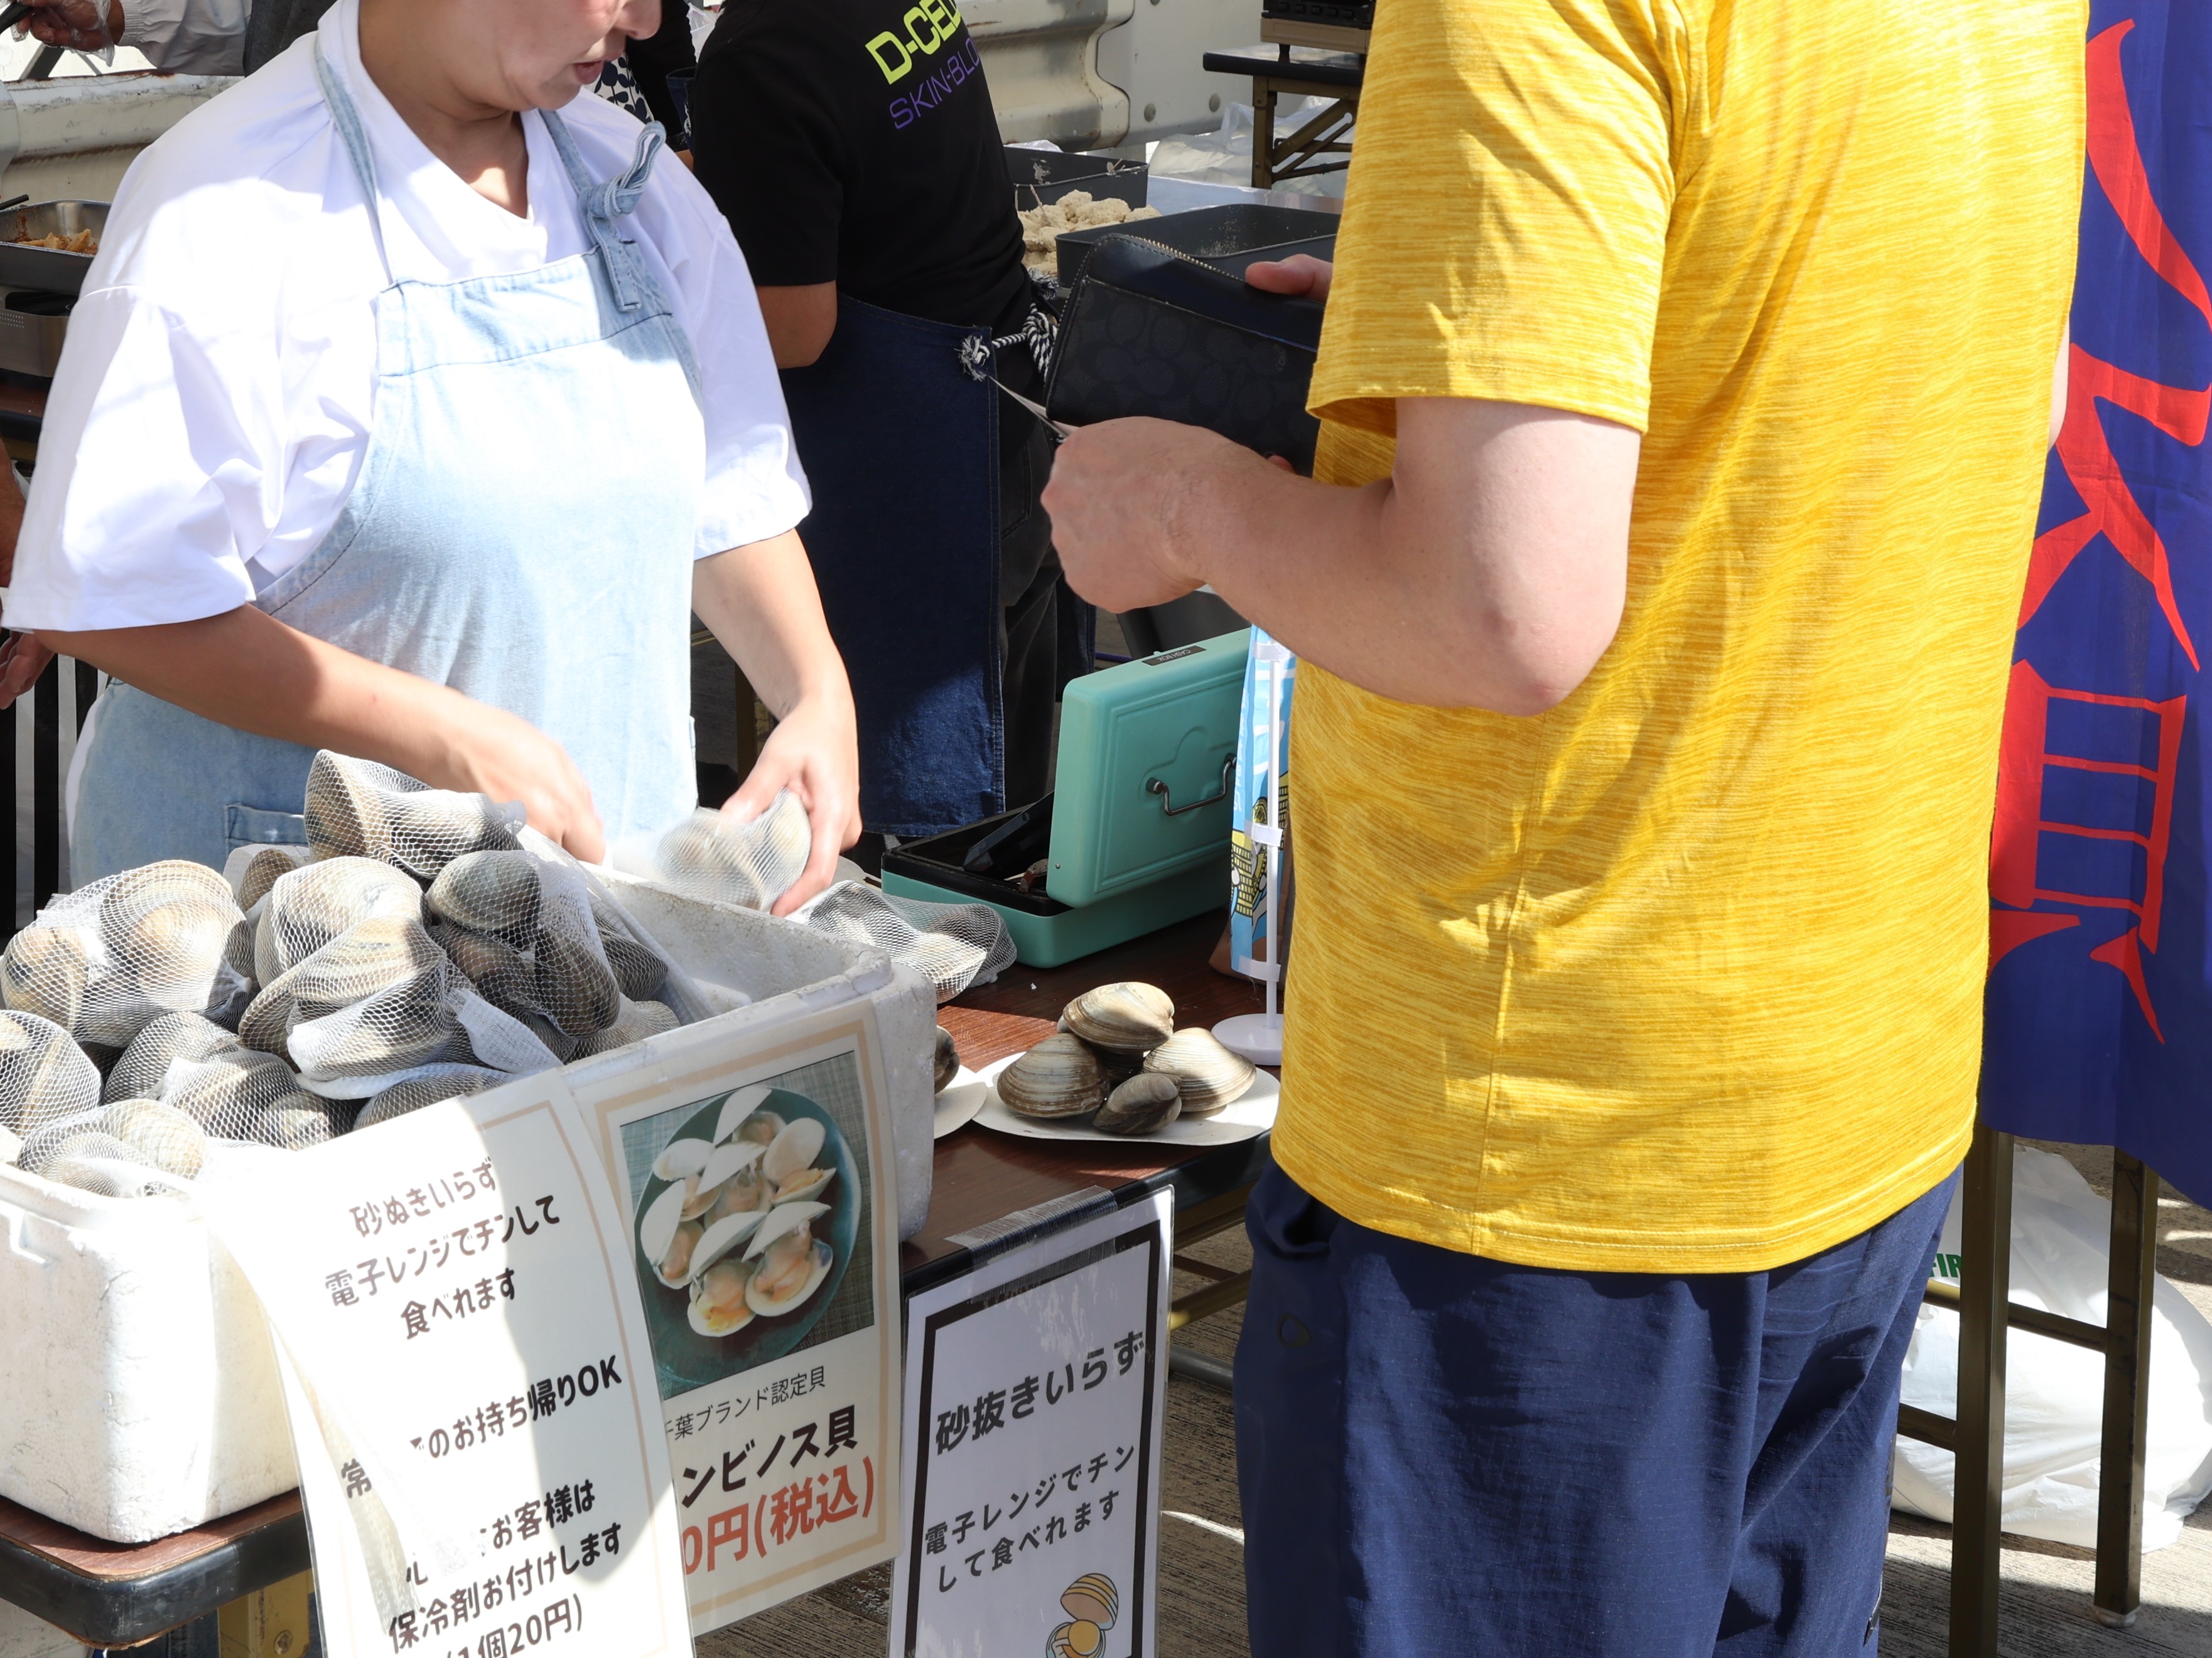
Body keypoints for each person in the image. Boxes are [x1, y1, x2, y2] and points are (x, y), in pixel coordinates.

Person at [1042, 2, 2081, 1652]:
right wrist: (1502, 363)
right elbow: (1983, 390)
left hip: (1544, 1142)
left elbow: (1499, 612)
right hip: (1855, 1071)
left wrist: (1186, 501)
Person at [3, 0, 860, 911]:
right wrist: (443, 737)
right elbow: (110, 600)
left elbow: (724, 486)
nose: (646, 21)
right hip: (283, 951)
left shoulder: (632, 181)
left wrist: (813, 687)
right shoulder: (227, 204)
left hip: (590, 911)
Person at [684, 0, 1073, 836]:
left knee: (922, 841)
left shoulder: (756, 58)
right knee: (1019, 803)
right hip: (1008, 422)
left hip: (916, 479)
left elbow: (794, 328)